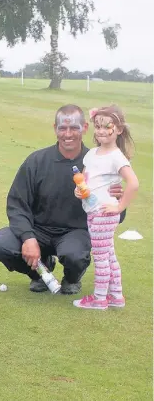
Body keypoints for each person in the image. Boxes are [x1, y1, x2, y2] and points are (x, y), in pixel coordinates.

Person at [0, 104, 125, 294]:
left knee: (73, 255)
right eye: (62, 128)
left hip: (76, 231)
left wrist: (119, 202)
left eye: (74, 128)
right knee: (2, 245)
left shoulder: (99, 162)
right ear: (55, 128)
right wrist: (28, 237)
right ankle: (40, 275)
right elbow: (17, 204)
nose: (68, 134)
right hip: (39, 229)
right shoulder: (36, 161)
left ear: (84, 128)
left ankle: (72, 278)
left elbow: (113, 213)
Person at [72, 105, 139, 310]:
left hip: (103, 213)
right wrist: (79, 190)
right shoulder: (92, 153)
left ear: (118, 130)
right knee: (109, 254)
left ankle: (99, 298)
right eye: (98, 126)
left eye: (107, 126)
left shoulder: (116, 156)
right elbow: (85, 178)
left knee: (100, 257)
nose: (101, 131)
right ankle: (116, 295)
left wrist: (119, 207)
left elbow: (133, 183)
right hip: (93, 211)